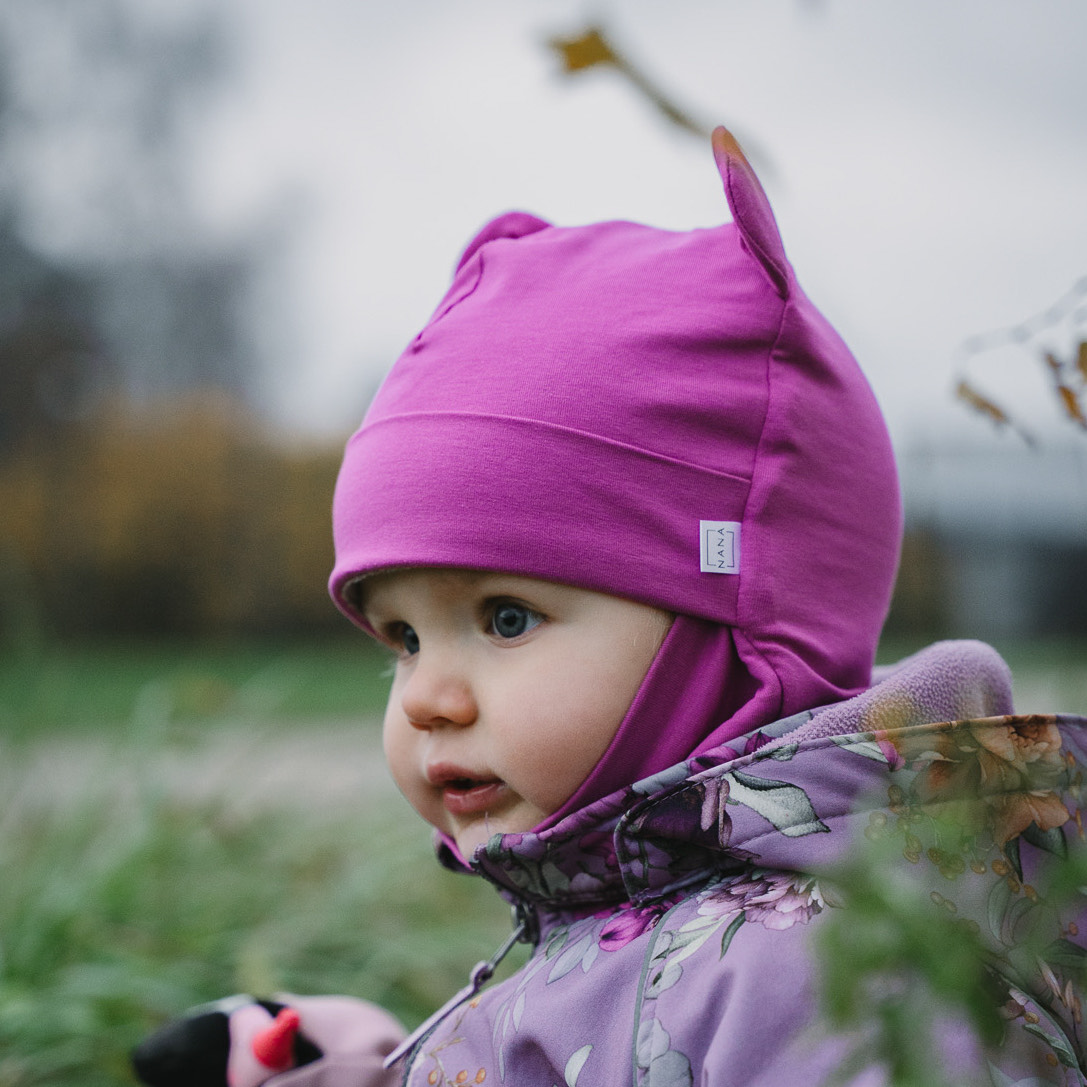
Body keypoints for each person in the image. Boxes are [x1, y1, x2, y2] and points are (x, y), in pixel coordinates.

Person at [135, 128, 1087, 1087]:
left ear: (740, 634)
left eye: (505, 617)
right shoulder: (647, 921)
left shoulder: (813, 980)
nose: (426, 695)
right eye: (403, 638)